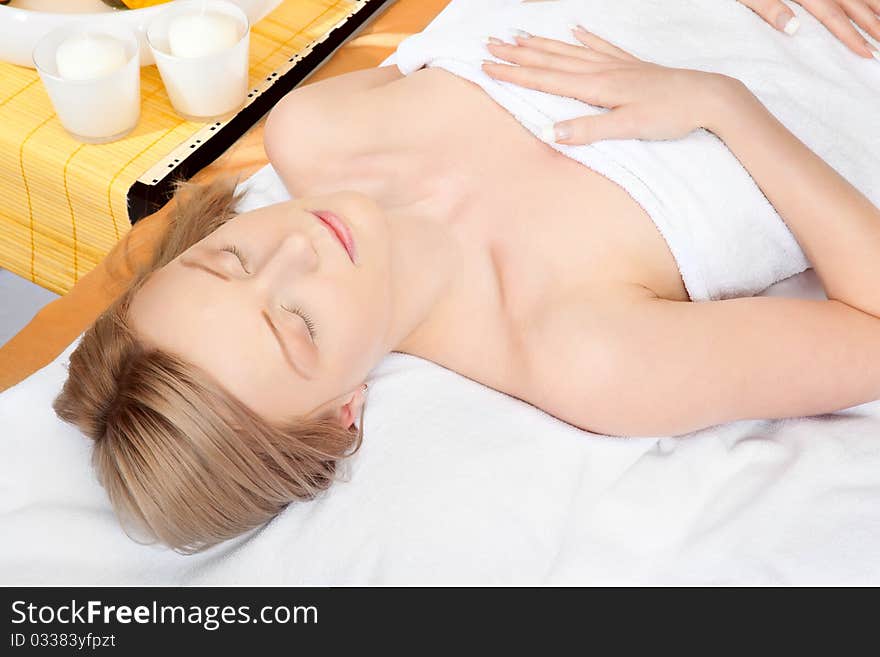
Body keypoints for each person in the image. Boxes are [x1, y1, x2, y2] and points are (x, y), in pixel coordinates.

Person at [53, 1, 880, 553]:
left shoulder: (319, 129)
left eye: (230, 255)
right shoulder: (586, 352)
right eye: (297, 321)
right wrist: (721, 105)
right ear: (341, 416)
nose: (296, 249)